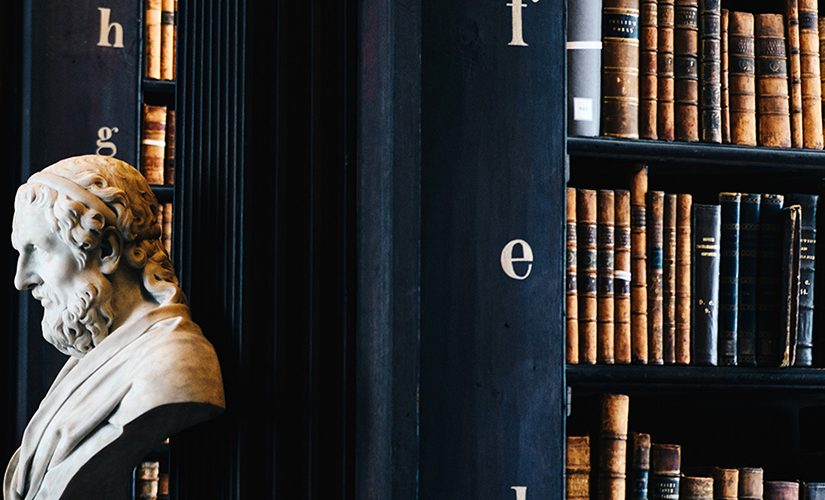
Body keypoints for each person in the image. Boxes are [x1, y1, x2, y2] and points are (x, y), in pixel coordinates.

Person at [4, 155, 225, 500]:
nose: (22, 280)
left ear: (106, 249)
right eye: (21, 254)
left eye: (39, 251)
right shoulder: (94, 358)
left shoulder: (173, 363)